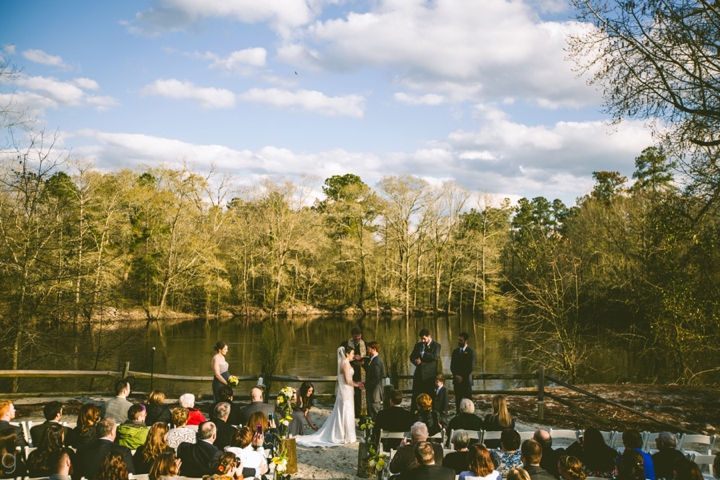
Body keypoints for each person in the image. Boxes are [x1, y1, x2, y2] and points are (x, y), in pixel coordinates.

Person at [296, 346, 363, 447]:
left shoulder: (346, 363)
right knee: (344, 411)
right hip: (345, 390)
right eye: (352, 353)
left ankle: (347, 434)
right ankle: (343, 435)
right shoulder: (345, 363)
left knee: (346, 411)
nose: (353, 355)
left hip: (347, 390)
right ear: (347, 354)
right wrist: (358, 385)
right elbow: (347, 380)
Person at [410, 328, 441, 412]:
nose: (422, 340)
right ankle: (414, 413)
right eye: (421, 339)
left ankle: (430, 413)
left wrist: (424, 354)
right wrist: (415, 361)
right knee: (416, 395)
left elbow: (435, 357)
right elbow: (411, 356)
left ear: (429, 336)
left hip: (429, 376)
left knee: (429, 395)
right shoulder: (418, 345)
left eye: (424, 338)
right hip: (418, 375)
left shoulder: (436, 346)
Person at [341, 326, 367, 418]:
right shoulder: (345, 345)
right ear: (352, 336)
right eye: (355, 336)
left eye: (359, 336)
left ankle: (361, 416)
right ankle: (353, 413)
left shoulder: (365, 344)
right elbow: (342, 359)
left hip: (362, 372)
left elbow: (368, 361)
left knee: (361, 394)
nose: (357, 338)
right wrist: (354, 361)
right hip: (350, 372)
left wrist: (363, 362)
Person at [451, 332, 476, 405]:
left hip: (466, 382)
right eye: (458, 340)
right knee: (458, 402)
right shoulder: (455, 352)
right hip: (457, 382)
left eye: (461, 340)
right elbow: (452, 366)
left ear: (466, 341)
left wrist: (462, 377)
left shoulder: (471, 352)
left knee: (468, 403)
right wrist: (456, 375)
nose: (459, 342)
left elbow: (470, 367)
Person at [364, 340, 384, 420]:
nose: (367, 351)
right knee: (372, 415)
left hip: (374, 394)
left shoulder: (376, 363)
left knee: (375, 415)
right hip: (372, 394)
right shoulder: (373, 360)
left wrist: (365, 385)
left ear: (374, 349)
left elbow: (375, 380)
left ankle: (377, 432)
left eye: (368, 349)